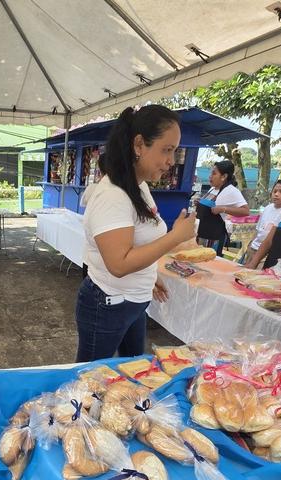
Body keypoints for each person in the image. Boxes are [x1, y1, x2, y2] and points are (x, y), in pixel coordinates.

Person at [76, 104, 196, 362]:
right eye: (167, 150)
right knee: (88, 381)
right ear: (139, 144)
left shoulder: (139, 187)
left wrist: (149, 274)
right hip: (108, 304)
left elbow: (140, 240)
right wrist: (175, 236)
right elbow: (118, 264)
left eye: (174, 151)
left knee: (131, 371)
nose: (170, 162)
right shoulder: (113, 196)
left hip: (134, 301)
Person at [194, 160, 249, 255]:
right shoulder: (212, 188)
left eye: (214, 173)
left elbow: (245, 211)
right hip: (200, 234)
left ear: (224, 176)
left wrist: (223, 209)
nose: (210, 176)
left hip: (213, 237)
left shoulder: (231, 191)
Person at [240, 177, 281, 266]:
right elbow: (258, 230)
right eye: (275, 191)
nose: (276, 194)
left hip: (268, 254)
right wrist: (250, 245)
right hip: (254, 248)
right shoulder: (268, 208)